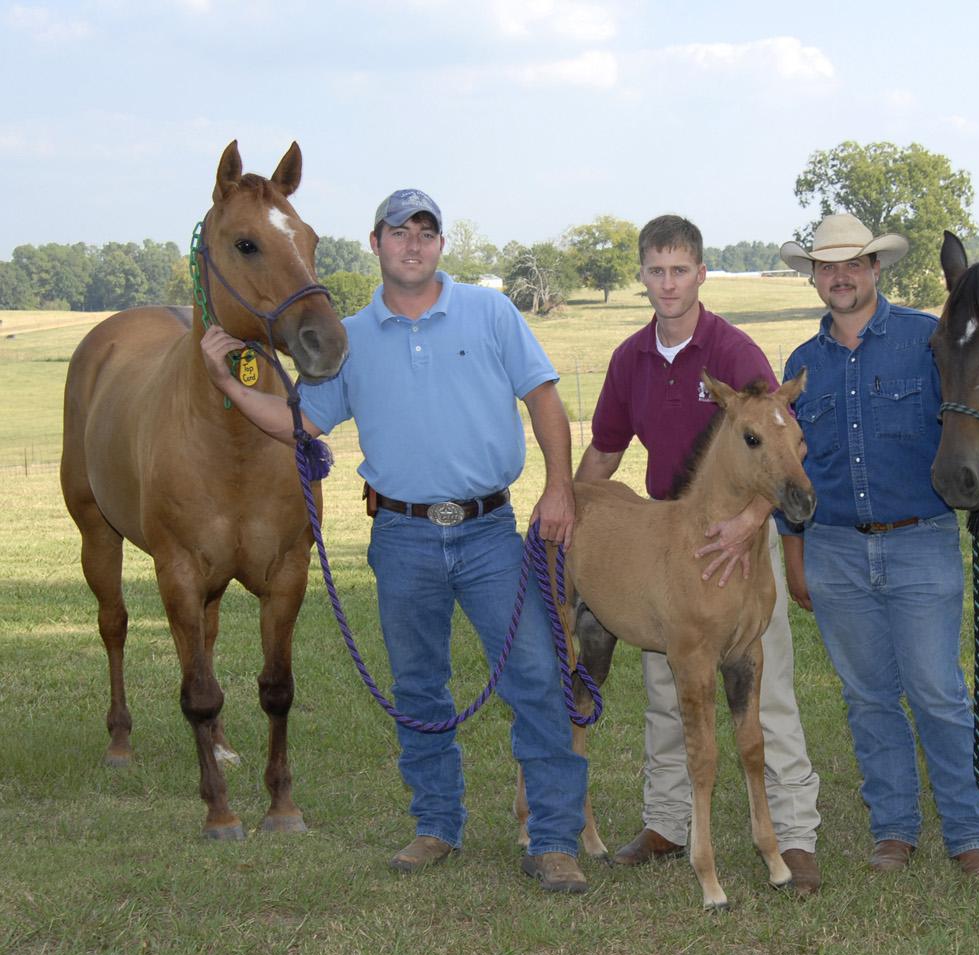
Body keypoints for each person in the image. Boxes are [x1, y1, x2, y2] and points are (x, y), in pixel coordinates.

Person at [200, 189, 590, 893]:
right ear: (376, 243)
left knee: (534, 676)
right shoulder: (350, 338)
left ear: (440, 244)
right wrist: (226, 380)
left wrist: (559, 488)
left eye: (426, 232)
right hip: (403, 538)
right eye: (399, 232)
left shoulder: (491, 312)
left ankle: (555, 837)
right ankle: (437, 824)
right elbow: (300, 425)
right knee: (418, 687)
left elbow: (544, 402)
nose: (413, 244)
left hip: (491, 533)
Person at [575, 214, 823, 894]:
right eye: (655, 270)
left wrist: (751, 521)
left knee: (762, 693)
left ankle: (794, 834)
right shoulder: (632, 358)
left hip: (741, 539)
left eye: (679, 270)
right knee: (669, 692)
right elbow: (605, 448)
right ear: (643, 276)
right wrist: (569, 510)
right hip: (667, 542)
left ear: (701, 274)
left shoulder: (734, 350)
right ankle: (667, 822)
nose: (667, 283)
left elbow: (776, 440)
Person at [775, 213, 979, 879]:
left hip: (920, 543)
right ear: (815, 276)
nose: (840, 276)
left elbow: (978, 408)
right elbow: (793, 473)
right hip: (835, 549)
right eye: (827, 266)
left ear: (877, 269)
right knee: (868, 697)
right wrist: (796, 556)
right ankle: (894, 832)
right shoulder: (802, 365)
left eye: (853, 263)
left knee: (937, 691)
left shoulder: (926, 341)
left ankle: (970, 835)